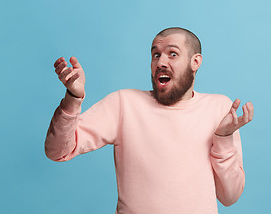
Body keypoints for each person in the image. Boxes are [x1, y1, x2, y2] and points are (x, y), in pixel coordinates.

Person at [45, 27, 254, 213]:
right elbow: (57, 151)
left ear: (195, 62)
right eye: (156, 55)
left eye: (173, 54)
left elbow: (230, 197)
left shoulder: (218, 108)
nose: (161, 62)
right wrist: (73, 99)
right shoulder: (124, 103)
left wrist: (223, 139)